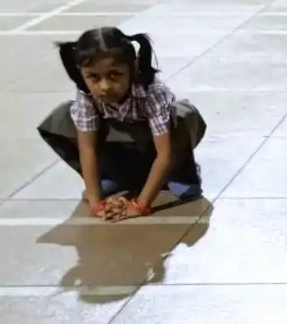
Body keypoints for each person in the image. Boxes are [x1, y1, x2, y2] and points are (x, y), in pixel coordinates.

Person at [37, 28, 205, 222]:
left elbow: (164, 153)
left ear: (133, 68)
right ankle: (117, 176)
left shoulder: (152, 92)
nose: (105, 86)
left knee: (182, 116)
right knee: (64, 117)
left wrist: (140, 205)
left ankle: (178, 175)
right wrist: (96, 203)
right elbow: (87, 148)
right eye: (94, 77)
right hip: (122, 151)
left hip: (155, 149)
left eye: (115, 74)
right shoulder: (87, 95)